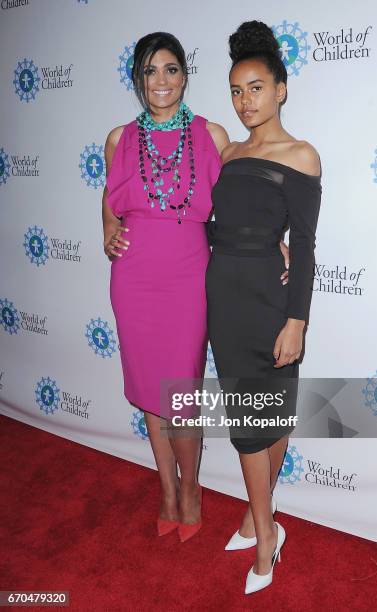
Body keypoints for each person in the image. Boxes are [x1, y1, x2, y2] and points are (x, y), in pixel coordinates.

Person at [206, 21, 321, 594]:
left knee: (270, 417)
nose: (245, 100)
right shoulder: (226, 150)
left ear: (280, 88)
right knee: (249, 424)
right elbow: (211, 222)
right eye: (235, 90)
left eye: (255, 87)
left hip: (271, 302)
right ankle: (264, 522)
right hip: (224, 296)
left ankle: (262, 527)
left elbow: (304, 245)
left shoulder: (300, 155)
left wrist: (296, 319)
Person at [102, 31, 228, 542]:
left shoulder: (211, 135)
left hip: (188, 276)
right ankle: (167, 491)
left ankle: (192, 488)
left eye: (171, 69)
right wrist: (108, 232)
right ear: (138, 78)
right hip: (134, 279)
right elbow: (110, 203)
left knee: (180, 394)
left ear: (184, 75)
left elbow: (240, 208)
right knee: (151, 395)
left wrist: (274, 244)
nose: (161, 80)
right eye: (151, 70)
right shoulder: (118, 138)